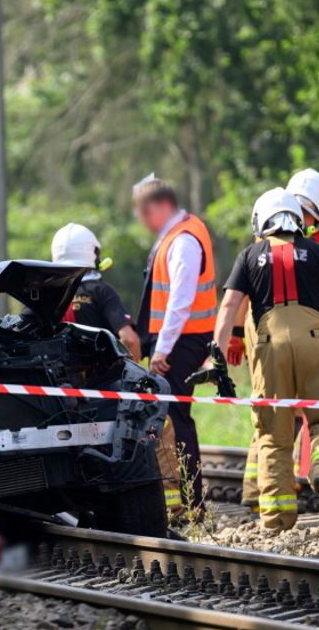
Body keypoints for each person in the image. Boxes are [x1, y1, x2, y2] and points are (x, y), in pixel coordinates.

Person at [216, 188, 319, 530]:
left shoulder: (249, 255)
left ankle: (277, 519)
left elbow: (229, 308)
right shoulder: (317, 251)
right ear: (296, 219)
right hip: (314, 342)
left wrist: (216, 359)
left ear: (261, 220)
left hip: (269, 347)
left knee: (273, 435)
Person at [241, 167, 319, 510]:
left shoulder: (263, 237)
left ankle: (262, 496)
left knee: (271, 418)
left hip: (265, 332)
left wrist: (230, 338)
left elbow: (236, 299)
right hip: (300, 329)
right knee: (316, 417)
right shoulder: (307, 242)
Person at [134, 176, 217, 511]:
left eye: (143, 213)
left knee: (175, 417)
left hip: (182, 342)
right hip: (182, 340)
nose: (142, 221)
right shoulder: (178, 234)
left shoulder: (183, 239)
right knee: (172, 416)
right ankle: (185, 499)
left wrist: (162, 350)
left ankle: (189, 501)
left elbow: (180, 302)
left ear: (159, 207)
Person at [50, 223, 141, 361]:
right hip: (102, 381)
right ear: (93, 254)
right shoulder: (101, 291)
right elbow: (129, 340)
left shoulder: (46, 293)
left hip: (56, 380)